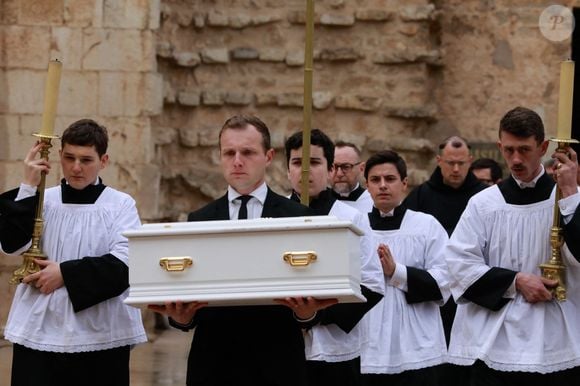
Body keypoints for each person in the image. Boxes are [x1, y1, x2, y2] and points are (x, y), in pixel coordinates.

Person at [148, 115, 337, 386]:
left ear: (268, 156)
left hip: (278, 361)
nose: (237, 160)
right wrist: (184, 319)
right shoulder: (199, 219)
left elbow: (313, 290)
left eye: (247, 152)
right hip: (214, 363)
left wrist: (306, 313)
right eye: (229, 153)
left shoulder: (298, 217)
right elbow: (190, 295)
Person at [0, 119, 147, 386]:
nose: (76, 168)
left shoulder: (120, 205)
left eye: (86, 160)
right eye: (69, 158)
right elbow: (12, 244)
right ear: (59, 157)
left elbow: (128, 262)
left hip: (100, 334)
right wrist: (28, 186)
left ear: (104, 161)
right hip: (40, 329)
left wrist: (65, 273)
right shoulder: (44, 199)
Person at [446, 106, 580, 385]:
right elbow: (459, 264)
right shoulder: (483, 204)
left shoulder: (567, 197)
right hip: (495, 341)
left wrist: (569, 193)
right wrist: (516, 281)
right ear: (499, 146)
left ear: (543, 147)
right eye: (508, 150)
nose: (515, 159)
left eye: (524, 149)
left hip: (556, 339)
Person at [285, 128, 384, 386]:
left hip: (336, 348)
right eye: (297, 163)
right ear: (287, 171)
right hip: (284, 345)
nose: (305, 171)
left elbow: (372, 283)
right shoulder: (272, 217)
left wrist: (316, 314)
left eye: (315, 162)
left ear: (331, 170)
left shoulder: (351, 218)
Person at [359, 150, 450, 386]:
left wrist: (397, 272)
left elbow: (445, 281)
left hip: (417, 343)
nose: (382, 186)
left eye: (390, 179)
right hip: (369, 342)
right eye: (375, 180)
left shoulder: (426, 225)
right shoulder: (356, 229)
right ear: (367, 185)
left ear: (404, 183)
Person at [331, 141, 373, 213]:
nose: (339, 174)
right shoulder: (318, 202)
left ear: (361, 168)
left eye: (346, 167)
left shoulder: (373, 203)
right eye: (334, 167)